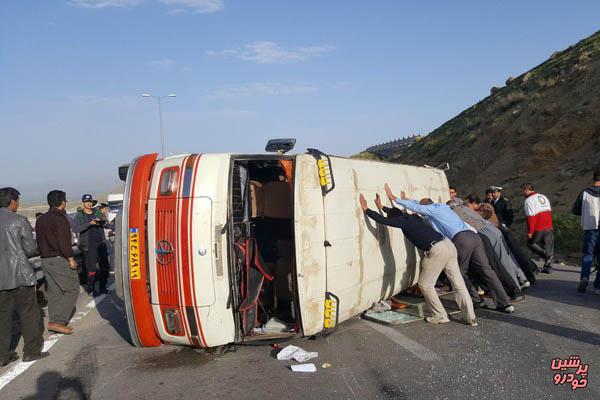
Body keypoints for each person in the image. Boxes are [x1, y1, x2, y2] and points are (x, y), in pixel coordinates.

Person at [385, 184, 514, 313]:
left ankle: (475, 299)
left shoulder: (432, 210)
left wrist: (394, 198)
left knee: (457, 272)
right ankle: (504, 303)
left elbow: (418, 207)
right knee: (487, 270)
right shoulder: (442, 207)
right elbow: (418, 206)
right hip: (474, 237)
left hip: (462, 239)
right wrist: (407, 200)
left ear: (427, 207)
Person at [360, 193, 477, 326]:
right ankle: (470, 318)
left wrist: (366, 209)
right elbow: (394, 213)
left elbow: (384, 220)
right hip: (448, 245)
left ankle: (440, 315)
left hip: (437, 250)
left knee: (425, 285)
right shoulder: (413, 218)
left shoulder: (403, 222)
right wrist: (381, 206)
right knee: (458, 283)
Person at [0, 187, 49, 365]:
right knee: (29, 314)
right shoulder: (19, 220)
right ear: (12, 201)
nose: (18, 204)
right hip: (21, 274)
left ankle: (3, 355)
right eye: (17, 200)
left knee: (3, 317)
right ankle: (31, 351)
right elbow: (30, 249)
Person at [450, 199, 529, 296]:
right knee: (505, 258)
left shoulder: (455, 211)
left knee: (499, 262)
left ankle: (515, 287)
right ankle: (521, 279)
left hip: (485, 232)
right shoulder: (464, 208)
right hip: (491, 229)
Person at [36, 190, 79, 335]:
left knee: (54, 291)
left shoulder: (41, 219)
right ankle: (59, 321)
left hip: (44, 260)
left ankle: (54, 321)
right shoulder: (60, 219)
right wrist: (71, 258)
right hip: (59, 259)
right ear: (62, 202)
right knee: (72, 289)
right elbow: (63, 241)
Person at [72, 194, 109, 294]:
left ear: (92, 202)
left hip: (101, 243)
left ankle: (103, 286)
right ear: (83, 203)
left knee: (104, 266)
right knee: (91, 269)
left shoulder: (97, 212)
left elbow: (106, 224)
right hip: (89, 245)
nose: (88, 203)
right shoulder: (79, 215)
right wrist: (89, 224)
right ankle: (91, 287)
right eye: (86, 202)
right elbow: (75, 229)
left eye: (90, 201)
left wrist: (103, 222)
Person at [572, 169, 600, 294]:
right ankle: (598, 285)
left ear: (593, 178)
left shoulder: (584, 192)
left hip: (589, 228)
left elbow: (576, 210)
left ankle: (584, 277)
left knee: (588, 255)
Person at [521, 183, 554, 274]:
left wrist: (530, 231)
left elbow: (531, 217)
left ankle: (546, 255)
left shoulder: (529, 200)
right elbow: (549, 211)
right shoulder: (543, 196)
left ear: (526, 190)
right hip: (548, 225)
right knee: (547, 245)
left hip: (538, 227)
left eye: (522, 191)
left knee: (531, 244)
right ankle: (548, 266)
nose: (522, 193)